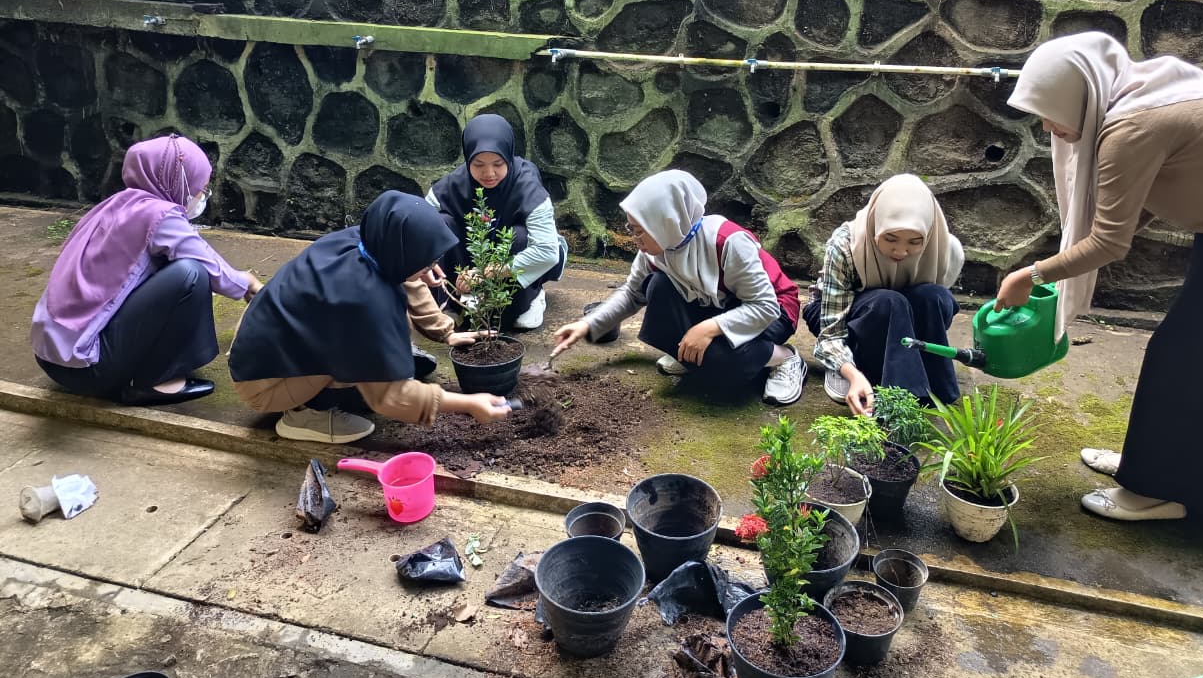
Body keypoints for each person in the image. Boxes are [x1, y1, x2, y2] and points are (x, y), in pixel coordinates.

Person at [996, 31, 1203, 526]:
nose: (1046, 125)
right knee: (1199, 359)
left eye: (1051, 110)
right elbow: (1135, 214)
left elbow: (1110, 243)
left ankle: (1156, 493)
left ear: (1079, 95)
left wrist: (1029, 274)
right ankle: (1149, 467)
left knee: (1189, 360)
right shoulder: (1142, 92)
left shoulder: (1132, 126)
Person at [229, 190, 511, 444]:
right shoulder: (364, 301)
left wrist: (444, 331)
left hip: (256, 342)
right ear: (404, 256)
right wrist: (469, 404)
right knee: (369, 356)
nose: (432, 267)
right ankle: (307, 416)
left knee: (380, 350)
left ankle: (329, 386)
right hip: (263, 383)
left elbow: (404, 276)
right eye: (426, 261)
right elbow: (391, 397)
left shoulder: (365, 240)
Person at [31, 134, 263, 406]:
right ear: (178, 182)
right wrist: (246, 282)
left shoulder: (114, 206)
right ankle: (156, 382)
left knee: (172, 270)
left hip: (51, 359)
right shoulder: (159, 215)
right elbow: (208, 264)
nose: (203, 196)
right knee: (190, 274)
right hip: (89, 370)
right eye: (201, 188)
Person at [551, 170, 806, 405]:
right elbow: (632, 293)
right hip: (720, 306)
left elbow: (765, 306)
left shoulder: (726, 242)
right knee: (656, 286)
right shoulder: (658, 248)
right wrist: (587, 325)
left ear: (667, 223)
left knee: (722, 367)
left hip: (774, 311)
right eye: (632, 229)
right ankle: (698, 356)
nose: (633, 238)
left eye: (639, 231)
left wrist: (709, 328)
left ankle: (783, 358)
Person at [804, 174, 965, 415]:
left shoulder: (946, 249)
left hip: (898, 318)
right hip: (843, 315)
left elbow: (931, 314)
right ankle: (886, 390)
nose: (900, 251)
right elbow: (830, 334)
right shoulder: (845, 244)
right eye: (890, 238)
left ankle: (930, 388)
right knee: (889, 302)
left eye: (915, 241)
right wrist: (850, 373)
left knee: (935, 297)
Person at [429, 115, 567, 331]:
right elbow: (418, 223)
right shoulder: (455, 183)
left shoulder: (527, 185)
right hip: (472, 262)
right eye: (478, 164)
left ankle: (532, 297)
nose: (489, 173)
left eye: (498, 164)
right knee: (440, 224)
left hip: (512, 260)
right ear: (468, 159)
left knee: (518, 236)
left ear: (508, 156)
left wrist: (486, 272)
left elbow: (548, 252)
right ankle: (454, 303)